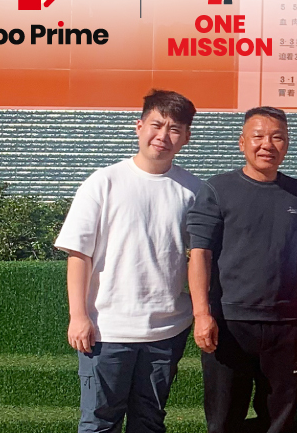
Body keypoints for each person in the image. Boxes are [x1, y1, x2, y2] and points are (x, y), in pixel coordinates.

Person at [55, 89, 202, 433]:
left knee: (149, 421)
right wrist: (78, 316)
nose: (163, 136)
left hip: (166, 331)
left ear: (186, 137)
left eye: (175, 129)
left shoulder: (194, 191)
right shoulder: (102, 182)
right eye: (156, 125)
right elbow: (79, 253)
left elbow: (200, 257)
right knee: (99, 423)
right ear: (139, 126)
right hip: (107, 330)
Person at [186, 106, 297, 433]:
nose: (267, 145)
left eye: (278, 138)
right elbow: (200, 254)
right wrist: (202, 314)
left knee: (279, 419)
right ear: (242, 142)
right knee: (224, 419)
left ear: (287, 144)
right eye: (258, 136)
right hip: (230, 323)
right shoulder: (217, 189)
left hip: (285, 325)